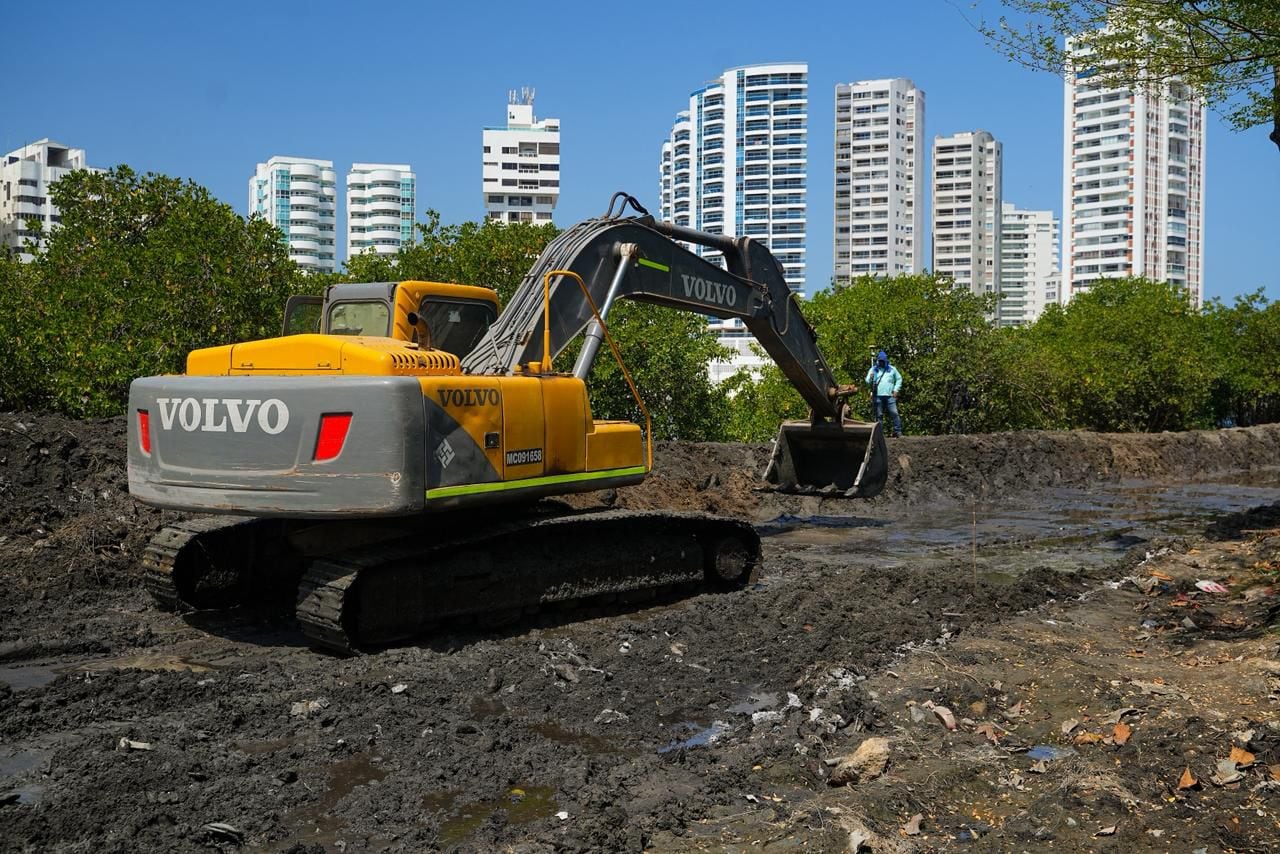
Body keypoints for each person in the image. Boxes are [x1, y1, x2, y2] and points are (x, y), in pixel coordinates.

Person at [865, 349, 903, 437]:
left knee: (894, 413)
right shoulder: (873, 369)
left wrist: (896, 390)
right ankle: (880, 435)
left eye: (883, 361)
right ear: (878, 360)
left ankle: (898, 432)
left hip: (890, 395)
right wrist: (871, 378)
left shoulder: (892, 369)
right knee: (879, 415)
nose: (881, 362)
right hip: (877, 396)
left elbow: (899, 379)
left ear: (886, 360)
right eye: (880, 361)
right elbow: (867, 381)